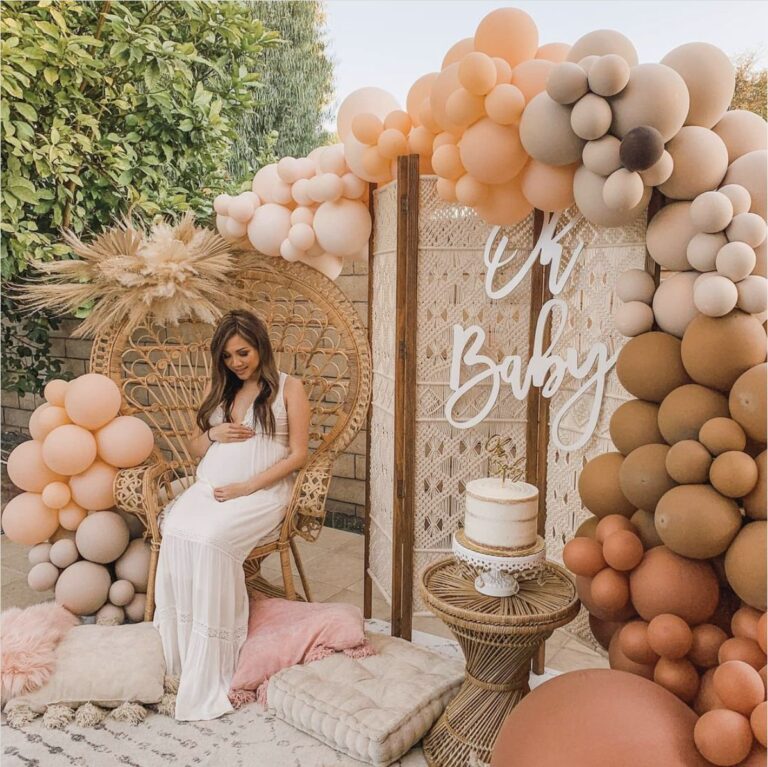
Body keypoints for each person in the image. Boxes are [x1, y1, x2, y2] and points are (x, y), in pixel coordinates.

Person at [153, 309, 310, 721]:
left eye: (243, 352)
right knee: (176, 528)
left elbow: (298, 454)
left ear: (261, 345)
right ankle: (180, 650)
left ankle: (217, 652)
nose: (236, 362)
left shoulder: (289, 388)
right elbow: (194, 447)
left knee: (211, 540)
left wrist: (247, 487)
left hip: (262, 492)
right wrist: (212, 434)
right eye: (227, 356)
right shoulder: (221, 388)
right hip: (210, 487)